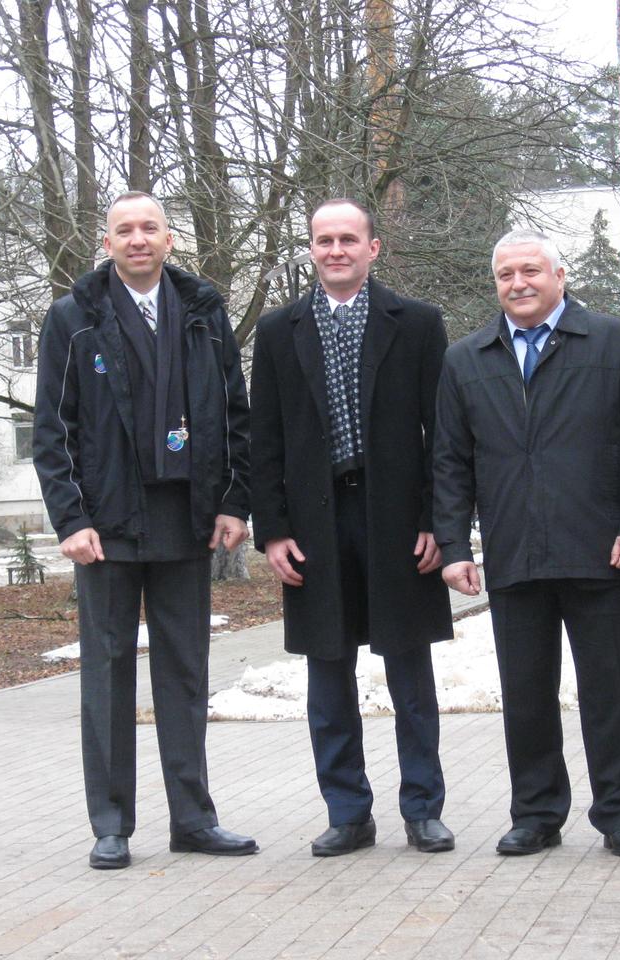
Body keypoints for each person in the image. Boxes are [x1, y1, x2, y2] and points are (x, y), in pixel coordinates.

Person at [33, 191, 257, 869]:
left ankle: (193, 819)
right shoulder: (72, 319)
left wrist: (233, 502)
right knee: (106, 676)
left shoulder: (203, 314)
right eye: (124, 229)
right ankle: (111, 824)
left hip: (185, 520)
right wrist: (70, 518)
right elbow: (53, 430)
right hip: (105, 527)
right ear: (107, 243)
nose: (137, 239)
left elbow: (234, 416)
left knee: (185, 674)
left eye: (149, 228)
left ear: (168, 239)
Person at [433, 229, 620, 857]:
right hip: (513, 551)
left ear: (559, 276)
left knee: (610, 689)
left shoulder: (614, 342)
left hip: (597, 547)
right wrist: (455, 547)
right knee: (526, 692)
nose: (518, 284)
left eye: (530, 271)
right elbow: (450, 463)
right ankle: (536, 813)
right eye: (506, 275)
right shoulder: (466, 359)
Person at [250, 199, 455, 857]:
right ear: (310, 249)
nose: (334, 250)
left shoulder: (418, 324)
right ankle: (348, 813)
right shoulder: (280, 330)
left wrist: (437, 523)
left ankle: (423, 809)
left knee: (409, 671)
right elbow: (266, 440)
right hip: (315, 521)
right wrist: (273, 530)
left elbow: (442, 435)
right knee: (327, 673)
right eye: (322, 240)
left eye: (347, 239)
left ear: (373, 248)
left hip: (398, 520)